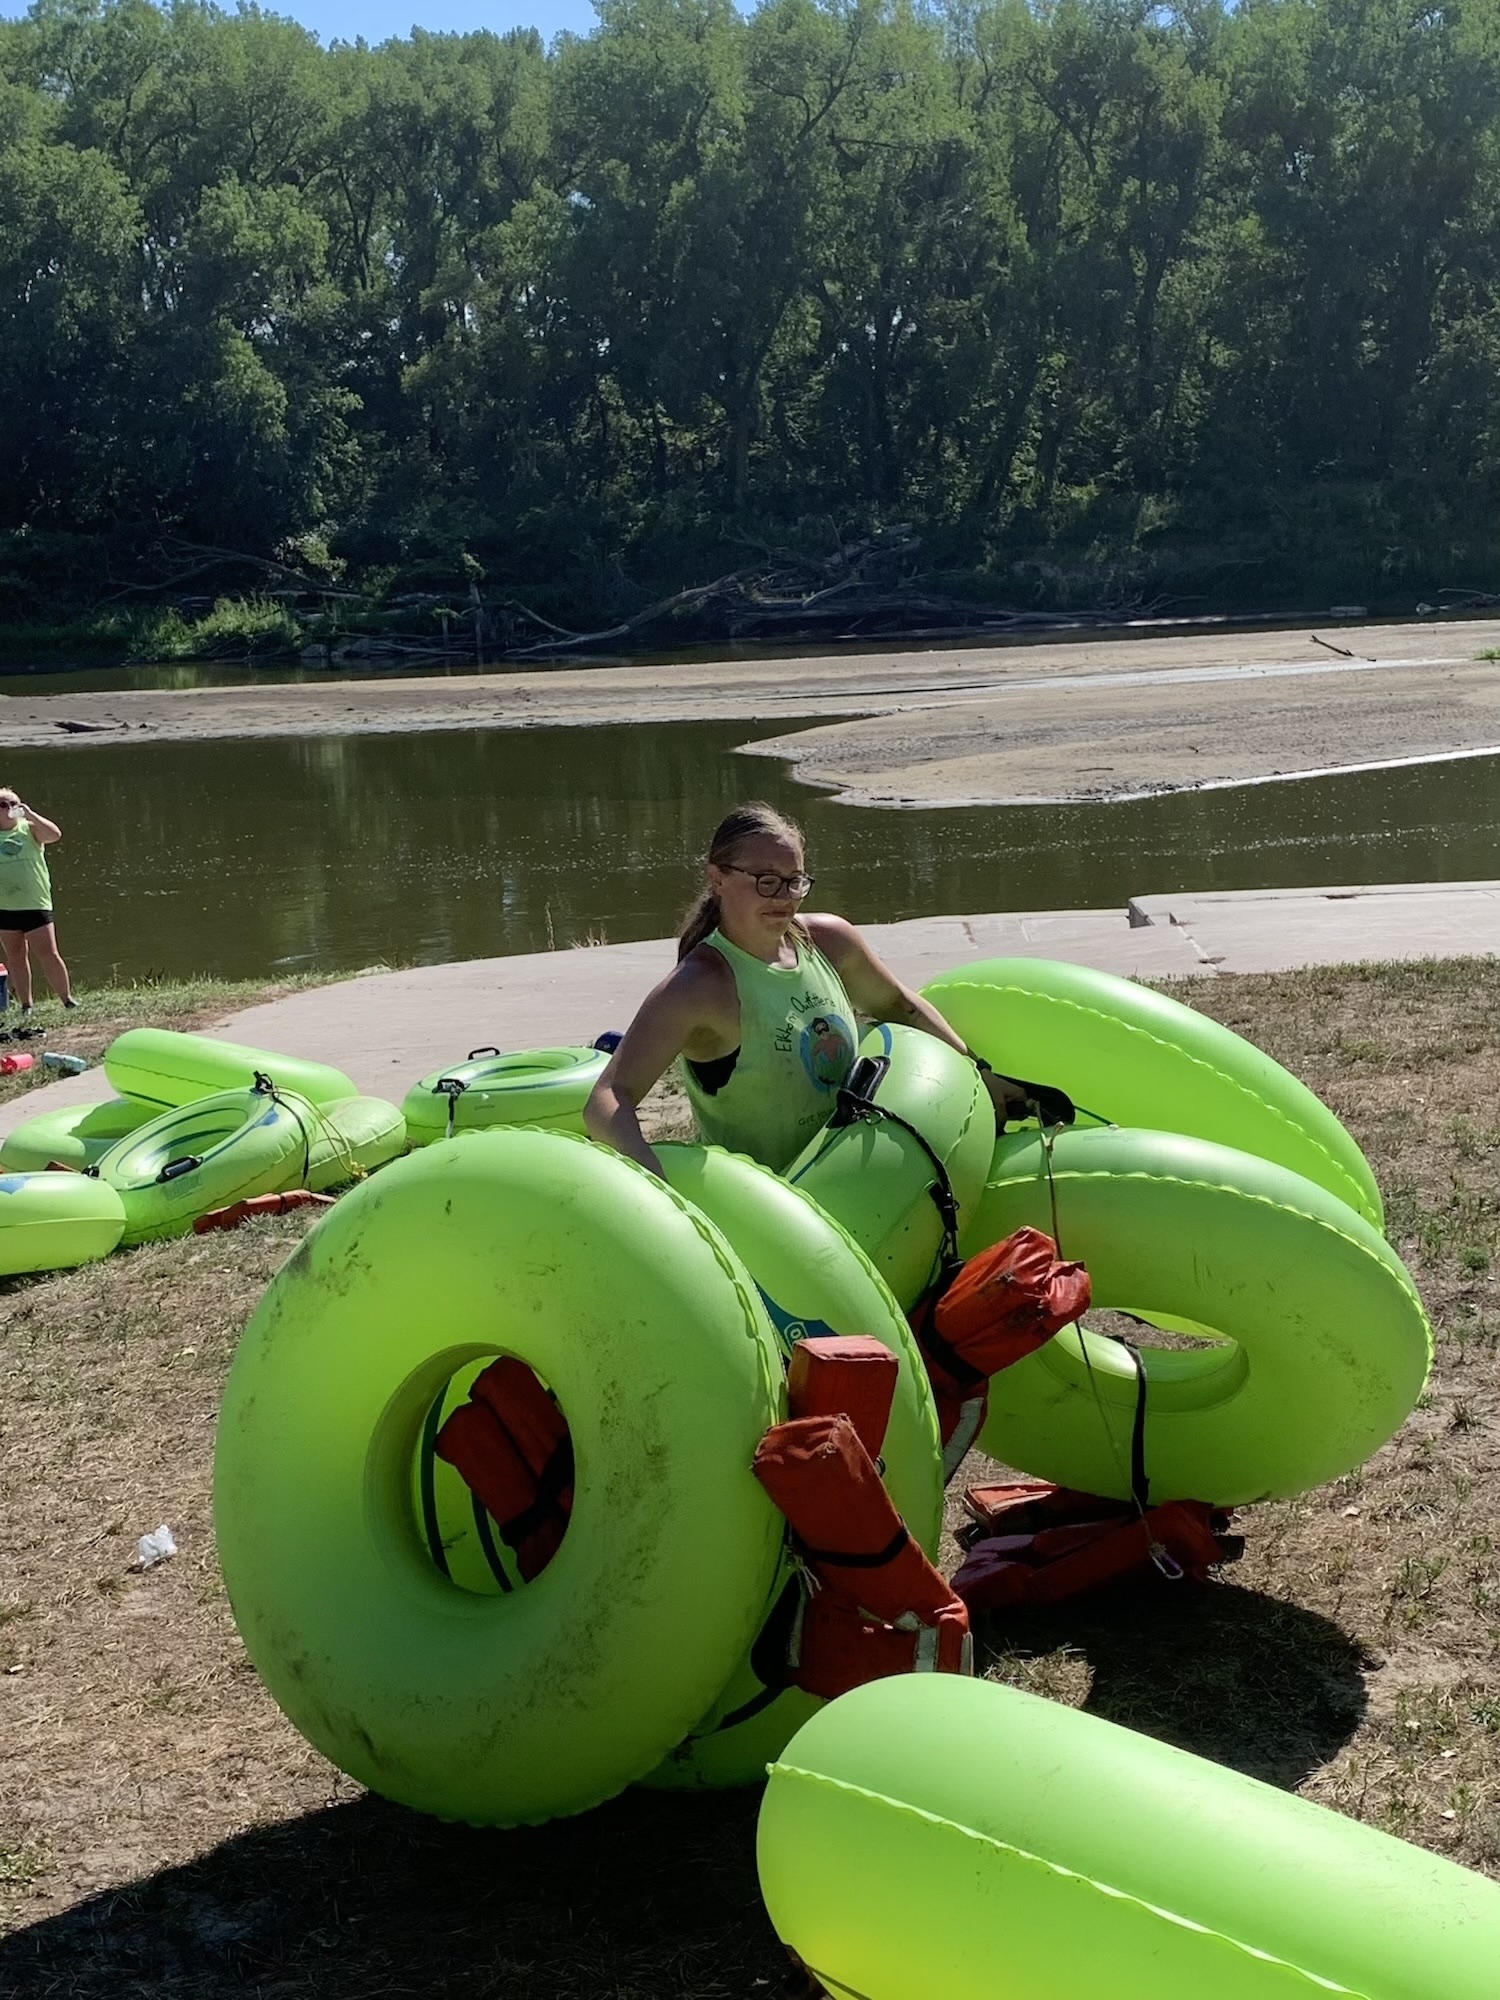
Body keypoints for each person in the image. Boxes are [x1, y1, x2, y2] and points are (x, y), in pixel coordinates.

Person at [584, 800, 1026, 1178]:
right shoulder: (701, 986)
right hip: (768, 1212)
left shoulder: (830, 941)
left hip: (857, 1182)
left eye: (794, 880)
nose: (784, 897)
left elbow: (899, 1006)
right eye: (766, 880)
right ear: (717, 879)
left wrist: (979, 1074)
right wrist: (660, 1187)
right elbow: (608, 1099)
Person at [0, 787, 76, 1016]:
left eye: (15, 803)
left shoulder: (30, 829)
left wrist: (30, 814)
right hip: (5, 907)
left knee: (49, 954)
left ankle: (67, 1000)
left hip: (35, 903)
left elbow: (54, 835)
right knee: (15, 957)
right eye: (5, 804)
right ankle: (27, 1005)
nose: (12, 808)